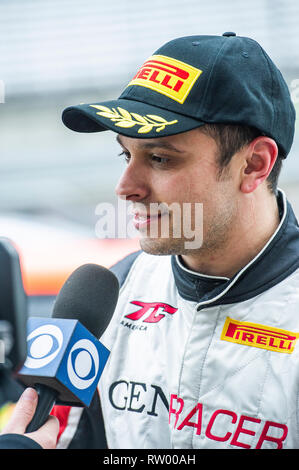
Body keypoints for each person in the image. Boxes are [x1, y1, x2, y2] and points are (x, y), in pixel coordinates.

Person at [52, 32, 299, 449]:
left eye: (161, 158)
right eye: (125, 154)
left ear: (255, 165)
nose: (125, 187)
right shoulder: (110, 294)